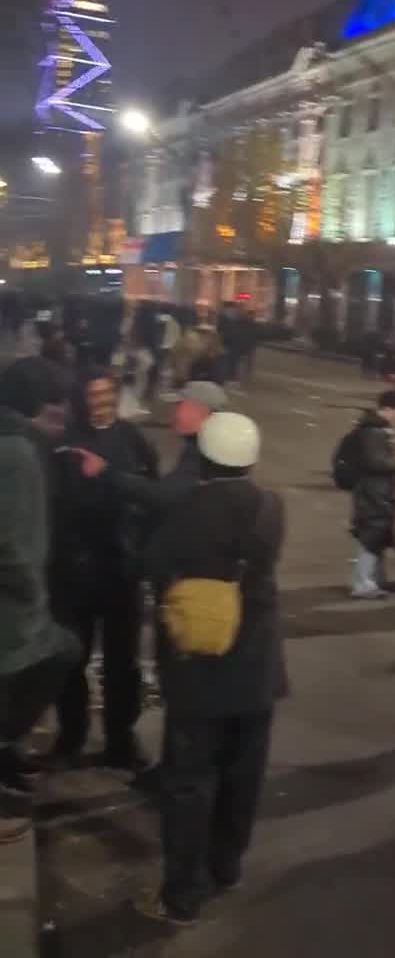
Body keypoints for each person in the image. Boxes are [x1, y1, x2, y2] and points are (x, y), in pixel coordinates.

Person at [141, 411, 286, 925]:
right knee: (242, 774)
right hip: (257, 665)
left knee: (190, 779)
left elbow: (154, 564)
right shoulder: (272, 507)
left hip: (199, 667)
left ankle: (184, 892)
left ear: (204, 455)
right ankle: (227, 865)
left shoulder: (186, 508)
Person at [48, 372, 158, 771]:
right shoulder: (65, 442)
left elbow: (151, 496)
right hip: (76, 571)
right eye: (93, 394)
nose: (101, 401)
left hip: (120, 570)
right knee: (72, 658)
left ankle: (119, 739)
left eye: (107, 393)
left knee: (122, 660)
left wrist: (140, 549)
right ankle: (71, 734)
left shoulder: (132, 438)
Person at [0, 358, 79, 842]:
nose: (63, 417)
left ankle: (7, 755)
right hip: (14, 604)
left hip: (19, 599)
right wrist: (30, 588)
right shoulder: (18, 455)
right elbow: (9, 541)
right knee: (54, 655)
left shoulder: (19, 446)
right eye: (55, 407)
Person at [76, 380, 227, 516]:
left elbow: (162, 496)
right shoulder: (208, 443)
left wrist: (105, 471)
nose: (174, 412)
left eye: (179, 405)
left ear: (198, 411)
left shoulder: (205, 451)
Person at [350, 389, 395, 599]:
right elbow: (376, 462)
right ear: (388, 409)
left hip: (374, 490)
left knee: (373, 536)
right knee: (370, 537)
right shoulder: (375, 430)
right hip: (373, 492)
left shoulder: (377, 428)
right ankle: (362, 583)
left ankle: (370, 581)